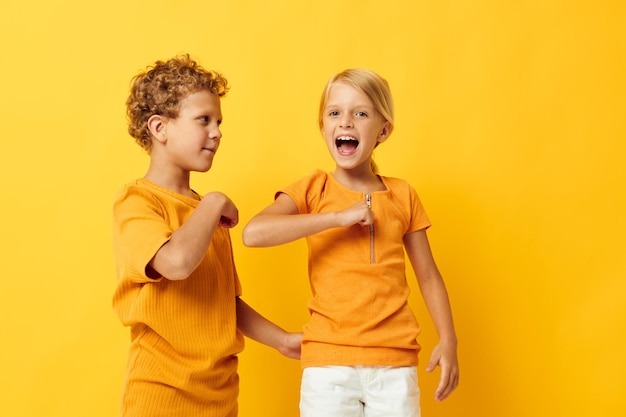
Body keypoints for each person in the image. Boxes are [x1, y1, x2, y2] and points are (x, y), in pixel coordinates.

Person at [242, 68, 459, 417]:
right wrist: (337, 218)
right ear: (324, 128)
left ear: (383, 130)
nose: (346, 122)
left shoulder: (403, 195)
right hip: (328, 364)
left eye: (361, 113)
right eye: (334, 113)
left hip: (394, 362)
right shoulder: (314, 189)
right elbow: (254, 233)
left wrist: (448, 341)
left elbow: (429, 275)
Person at [111, 54, 302, 417]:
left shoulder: (205, 214)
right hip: (162, 395)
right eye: (203, 120)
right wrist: (213, 202)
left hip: (220, 396)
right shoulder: (137, 202)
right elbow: (176, 263)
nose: (217, 132)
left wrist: (282, 340)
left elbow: (221, 302)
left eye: (218, 121)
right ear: (159, 128)